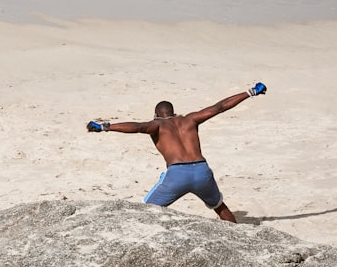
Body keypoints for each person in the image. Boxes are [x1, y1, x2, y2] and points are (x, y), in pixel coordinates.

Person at [87, 82, 266, 223]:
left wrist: (105, 127)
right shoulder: (190, 119)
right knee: (219, 206)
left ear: (156, 115)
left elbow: (137, 127)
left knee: (145, 211)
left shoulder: (156, 125)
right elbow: (219, 107)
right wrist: (251, 92)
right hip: (203, 171)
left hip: (177, 175)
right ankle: (239, 236)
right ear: (173, 113)